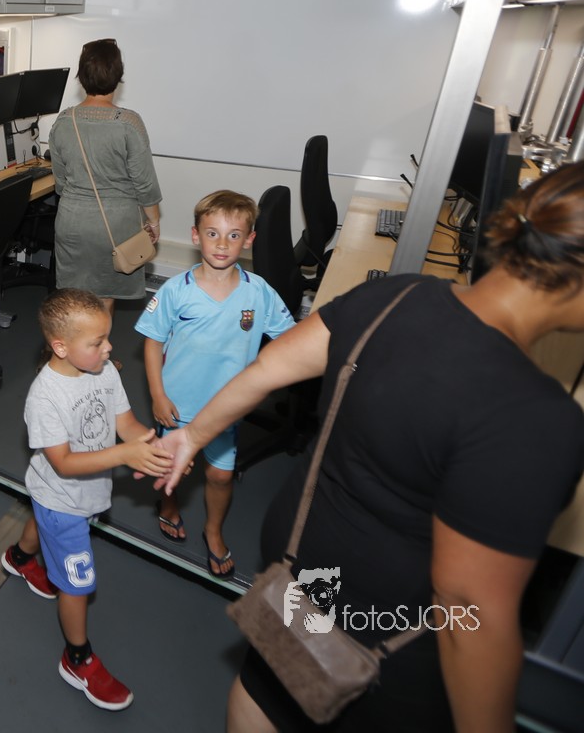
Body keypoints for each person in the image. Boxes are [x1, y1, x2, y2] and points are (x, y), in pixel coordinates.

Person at [155, 164, 584, 732]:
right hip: (380, 627)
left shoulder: (394, 293)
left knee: (269, 685)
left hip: (298, 567)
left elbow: (266, 370)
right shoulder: (535, 418)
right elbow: (466, 609)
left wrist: (192, 435)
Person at [0, 288, 174, 712]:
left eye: (106, 337)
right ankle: (77, 659)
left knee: (41, 520)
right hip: (63, 498)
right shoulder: (45, 397)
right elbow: (63, 463)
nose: (109, 348)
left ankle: (19, 558)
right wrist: (124, 455)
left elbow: (126, 423)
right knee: (77, 585)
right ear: (61, 346)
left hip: (77, 493)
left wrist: (156, 449)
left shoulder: (103, 371)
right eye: (97, 342)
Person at [135, 190, 295, 578]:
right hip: (176, 404)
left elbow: (290, 340)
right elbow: (152, 342)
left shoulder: (259, 292)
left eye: (233, 235)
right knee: (172, 468)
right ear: (196, 236)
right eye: (212, 234)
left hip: (226, 408)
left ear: (249, 240)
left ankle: (213, 529)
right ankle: (168, 507)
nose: (222, 244)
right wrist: (157, 394)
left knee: (220, 475)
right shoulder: (176, 290)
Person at [47, 38, 163, 317]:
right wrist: (154, 221)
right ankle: (98, 344)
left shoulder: (63, 121)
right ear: (118, 75)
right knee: (104, 298)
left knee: (73, 297)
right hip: (115, 225)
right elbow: (145, 183)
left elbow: (60, 181)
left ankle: (74, 344)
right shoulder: (129, 123)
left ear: (81, 76)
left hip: (72, 221)